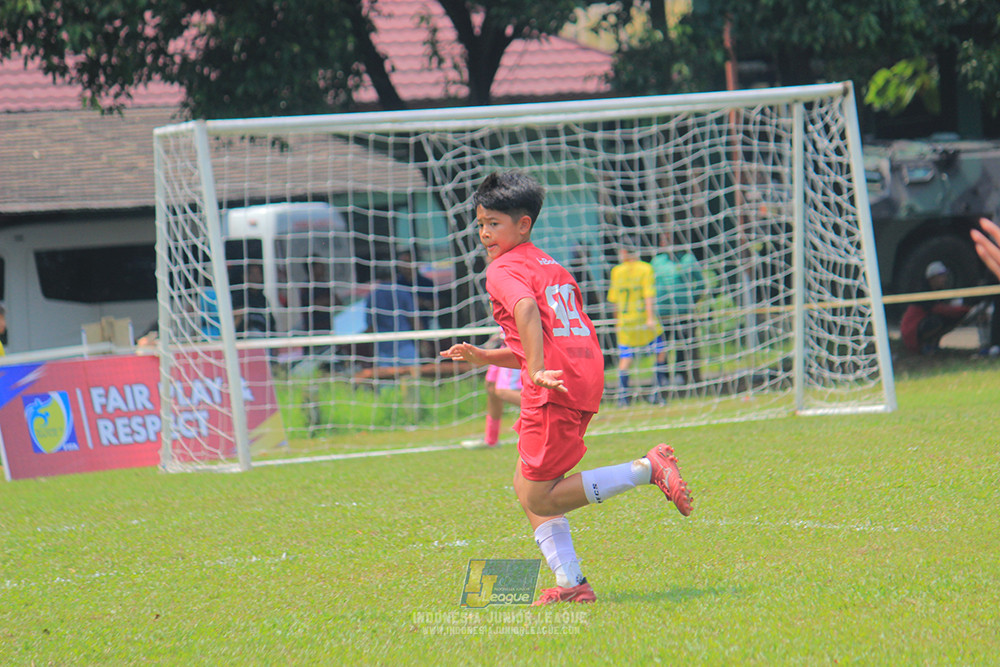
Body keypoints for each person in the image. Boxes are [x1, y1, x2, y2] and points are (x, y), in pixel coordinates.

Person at [440, 170, 693, 606]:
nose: (484, 234)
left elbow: (524, 311)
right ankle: (571, 582)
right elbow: (547, 337)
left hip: (553, 385)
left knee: (539, 494)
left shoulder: (502, 269)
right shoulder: (550, 265)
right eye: (480, 224)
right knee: (525, 484)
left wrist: (537, 371)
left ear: (524, 224)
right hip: (580, 373)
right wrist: (488, 357)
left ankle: (646, 468)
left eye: (494, 223)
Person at [607, 241, 664, 405]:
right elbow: (648, 294)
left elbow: (614, 300)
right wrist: (650, 317)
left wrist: (616, 320)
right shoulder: (645, 268)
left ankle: (623, 398)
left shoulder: (617, 271)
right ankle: (656, 393)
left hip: (625, 322)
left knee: (626, 358)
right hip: (643, 319)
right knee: (660, 352)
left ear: (625, 253)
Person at [651, 229, 706, 388]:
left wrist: (691, 300)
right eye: (662, 240)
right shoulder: (657, 262)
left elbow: (701, 284)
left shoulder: (688, 259)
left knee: (683, 344)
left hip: (683, 312)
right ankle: (663, 377)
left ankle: (681, 375)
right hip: (662, 313)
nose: (663, 243)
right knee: (662, 346)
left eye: (666, 239)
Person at [461, 336, 523, 449]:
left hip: (515, 345)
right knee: (491, 386)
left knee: (504, 391)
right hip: (503, 344)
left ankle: (549, 414)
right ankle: (491, 439)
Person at [899, 261, 971, 354]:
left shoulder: (937, 292)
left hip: (918, 326)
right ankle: (924, 345)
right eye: (941, 276)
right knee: (936, 322)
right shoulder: (924, 293)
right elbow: (939, 310)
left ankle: (932, 344)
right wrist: (966, 309)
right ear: (932, 278)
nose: (944, 279)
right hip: (912, 332)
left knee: (947, 320)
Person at [369, 266, 420, 370]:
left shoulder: (372, 296)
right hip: (404, 343)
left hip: (383, 346)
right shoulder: (403, 292)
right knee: (413, 376)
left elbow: (371, 325)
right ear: (395, 276)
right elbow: (414, 319)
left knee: (386, 379)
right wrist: (422, 340)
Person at [231, 262, 276, 337]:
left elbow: (272, 324)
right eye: (253, 274)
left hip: (264, 336)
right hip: (245, 337)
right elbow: (234, 321)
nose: (256, 277)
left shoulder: (263, 299)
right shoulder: (239, 297)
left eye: (258, 274)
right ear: (245, 276)